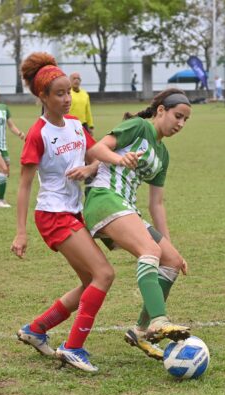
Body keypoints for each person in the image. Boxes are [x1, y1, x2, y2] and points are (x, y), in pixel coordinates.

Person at [11, 52, 114, 373]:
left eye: (69, 91)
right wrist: (21, 231)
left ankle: (36, 329)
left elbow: (99, 157)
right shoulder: (37, 133)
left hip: (74, 212)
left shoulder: (75, 126)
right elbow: (25, 185)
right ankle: (73, 347)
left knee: (89, 281)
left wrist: (89, 168)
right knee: (105, 274)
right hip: (53, 215)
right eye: (60, 93)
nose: (68, 98)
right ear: (43, 97)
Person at [82, 88, 192, 360]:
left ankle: (141, 331)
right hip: (104, 198)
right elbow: (96, 148)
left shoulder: (163, 155)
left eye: (185, 120)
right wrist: (120, 158)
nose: (180, 124)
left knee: (171, 261)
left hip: (127, 209)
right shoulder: (138, 127)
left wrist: (169, 244)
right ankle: (159, 320)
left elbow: (157, 204)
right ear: (161, 111)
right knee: (150, 251)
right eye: (177, 116)